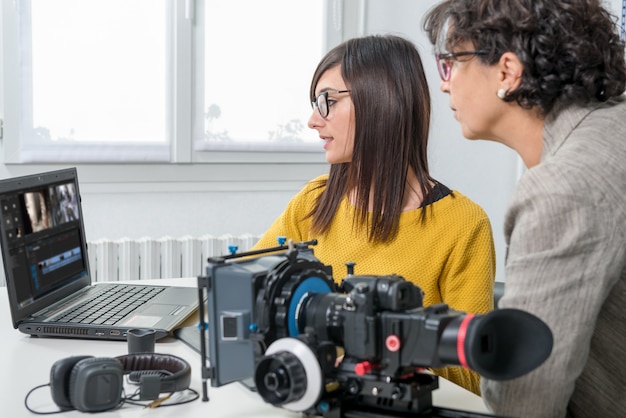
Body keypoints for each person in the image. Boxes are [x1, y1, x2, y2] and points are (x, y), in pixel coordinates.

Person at [250, 34, 496, 395]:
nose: (313, 121)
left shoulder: (464, 224)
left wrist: (380, 348)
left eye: (327, 101)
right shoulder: (314, 201)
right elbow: (250, 286)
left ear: (380, 101)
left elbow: (475, 374)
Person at [423, 1, 626, 417]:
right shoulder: (614, 128)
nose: (445, 84)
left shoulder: (561, 188)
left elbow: (525, 400)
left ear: (507, 72)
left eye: (451, 63)